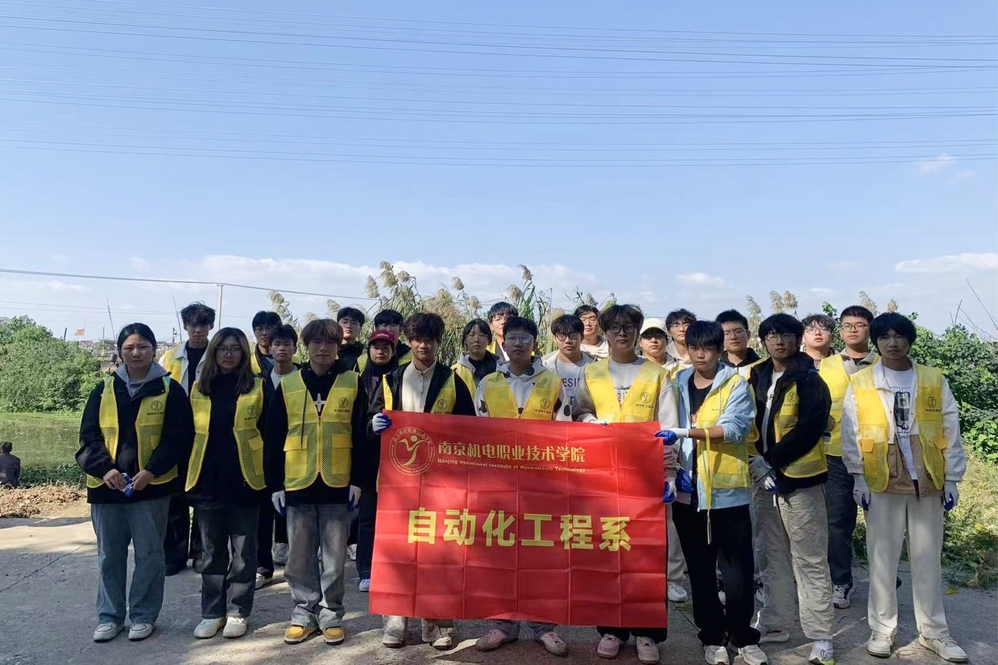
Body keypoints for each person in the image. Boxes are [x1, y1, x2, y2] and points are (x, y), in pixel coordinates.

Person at [841, 313, 968, 663]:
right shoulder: (862, 381)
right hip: (882, 477)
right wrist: (858, 477)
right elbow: (851, 432)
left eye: (899, 336)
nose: (892, 343)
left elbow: (951, 427)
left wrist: (953, 478)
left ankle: (935, 632)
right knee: (882, 559)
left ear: (910, 340)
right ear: (876, 342)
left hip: (927, 477)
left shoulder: (932, 378)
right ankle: (883, 630)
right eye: (885, 337)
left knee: (927, 559)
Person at [573, 304, 679, 665]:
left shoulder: (657, 374)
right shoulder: (591, 372)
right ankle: (611, 630)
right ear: (605, 332)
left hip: (645, 479)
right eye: (615, 328)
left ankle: (648, 632)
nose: (622, 333)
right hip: (603, 478)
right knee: (607, 551)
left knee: (648, 554)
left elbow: (669, 428)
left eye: (629, 327)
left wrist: (669, 473)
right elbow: (579, 412)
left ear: (637, 332)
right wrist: (591, 423)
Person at [76, 323, 193, 643]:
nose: (136, 353)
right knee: (109, 556)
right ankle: (109, 616)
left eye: (143, 346)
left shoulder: (170, 390)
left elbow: (179, 438)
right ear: (120, 352)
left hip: (151, 488)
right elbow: (88, 437)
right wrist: (105, 470)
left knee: (150, 555)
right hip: (107, 489)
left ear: (154, 349)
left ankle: (143, 615)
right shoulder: (103, 390)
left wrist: (151, 471)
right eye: (129, 348)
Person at [663, 321, 767, 665]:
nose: (700, 355)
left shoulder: (735, 384)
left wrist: (685, 432)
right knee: (700, 571)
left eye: (707, 348)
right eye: (694, 348)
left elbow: (736, 429)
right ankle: (711, 637)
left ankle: (742, 636)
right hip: (687, 493)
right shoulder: (676, 382)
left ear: (720, 350)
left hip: (726, 494)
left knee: (737, 573)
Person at [370, 313, 475, 649]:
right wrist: (374, 425)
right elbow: (368, 420)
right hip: (396, 483)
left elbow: (471, 430)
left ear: (438, 342)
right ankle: (395, 620)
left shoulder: (453, 380)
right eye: (417, 339)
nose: (423, 346)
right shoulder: (391, 379)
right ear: (409, 342)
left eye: (430, 340)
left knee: (436, 553)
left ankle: (434, 623)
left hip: (440, 483)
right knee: (396, 550)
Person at [264, 319, 370, 647]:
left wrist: (358, 480)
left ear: (338, 346)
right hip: (297, 481)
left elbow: (361, 434)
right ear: (306, 346)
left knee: (335, 557)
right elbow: (272, 437)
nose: (323, 348)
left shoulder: (352, 381)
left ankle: (331, 614)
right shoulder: (289, 384)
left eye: (329, 343)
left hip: (338, 482)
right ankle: (303, 612)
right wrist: (275, 484)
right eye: (316, 342)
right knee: (299, 555)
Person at [473, 316, 571, 657]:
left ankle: (544, 626)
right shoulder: (488, 383)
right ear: (503, 344)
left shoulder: (552, 382)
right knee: (500, 554)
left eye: (524, 338)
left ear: (534, 343)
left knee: (541, 555)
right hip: (499, 484)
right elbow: (477, 432)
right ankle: (503, 624)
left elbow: (566, 430)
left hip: (542, 483)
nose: (518, 343)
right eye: (512, 338)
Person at [747, 314, 835, 665]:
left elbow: (809, 430)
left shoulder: (811, 379)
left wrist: (770, 460)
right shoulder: (756, 375)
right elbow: (747, 421)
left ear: (798, 339)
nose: (779, 340)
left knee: (810, 558)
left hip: (801, 480)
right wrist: (756, 462)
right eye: (771, 335)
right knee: (771, 553)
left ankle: (821, 634)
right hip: (762, 479)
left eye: (785, 334)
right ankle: (775, 621)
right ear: (763, 341)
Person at [187, 328, 268, 639]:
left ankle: (238, 611)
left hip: (246, 480)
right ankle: (212, 612)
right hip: (207, 480)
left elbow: (271, 433)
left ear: (244, 353)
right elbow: (187, 435)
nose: (229, 354)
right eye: (223, 348)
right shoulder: (198, 389)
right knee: (211, 553)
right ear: (214, 353)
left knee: (244, 553)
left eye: (236, 348)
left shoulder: (258, 387)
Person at [818, 305, 879, 610]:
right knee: (837, 523)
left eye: (860, 325)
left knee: (881, 523)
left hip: (877, 455)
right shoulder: (826, 365)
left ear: (871, 329)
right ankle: (841, 580)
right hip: (836, 455)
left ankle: (883, 579)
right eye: (847, 325)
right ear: (840, 331)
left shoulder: (883, 363)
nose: (853, 330)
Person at [159, 301, 215, 576]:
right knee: (175, 495)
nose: (197, 330)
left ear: (210, 326)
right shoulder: (170, 357)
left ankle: (201, 552)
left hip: (208, 432)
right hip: (177, 431)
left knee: (203, 495)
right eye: (193, 325)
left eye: (202, 325)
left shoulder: (218, 355)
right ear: (185, 326)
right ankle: (174, 553)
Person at [638, 316, 690, 604]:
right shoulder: (632, 371)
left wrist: (672, 465)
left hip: (664, 452)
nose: (654, 340)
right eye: (648, 336)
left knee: (669, 521)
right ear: (640, 341)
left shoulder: (679, 370)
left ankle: (673, 578)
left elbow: (673, 419)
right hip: (630, 456)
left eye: (658, 335)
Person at [355, 328, 398, 593]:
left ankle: (392, 567)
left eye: (386, 347)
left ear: (393, 351)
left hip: (397, 458)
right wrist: (370, 425)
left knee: (396, 516)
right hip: (368, 458)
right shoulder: (357, 380)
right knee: (368, 516)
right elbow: (352, 419)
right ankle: (366, 569)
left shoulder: (400, 378)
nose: (380, 351)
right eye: (375, 347)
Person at [257, 324, 298, 588]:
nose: (281, 349)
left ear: (295, 347)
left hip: (297, 452)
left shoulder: (304, 378)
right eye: (277, 344)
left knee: (294, 509)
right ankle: (262, 566)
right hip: (262, 453)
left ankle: (296, 564)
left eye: (286, 344)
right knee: (263, 509)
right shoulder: (257, 381)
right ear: (269, 349)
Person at [542, 313, 594, 412]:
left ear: (582, 336)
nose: (567, 341)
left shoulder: (594, 367)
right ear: (555, 339)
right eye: (561, 336)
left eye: (573, 335)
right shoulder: (545, 368)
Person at [452, 318, 498, 393]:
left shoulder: (499, 368)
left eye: (481, 335)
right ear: (465, 340)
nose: (476, 339)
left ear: (489, 340)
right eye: (471, 335)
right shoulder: (456, 371)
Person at [716, 310, 762, 377]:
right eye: (726, 333)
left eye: (738, 331)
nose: (733, 337)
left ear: (748, 334)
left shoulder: (764, 367)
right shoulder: (715, 370)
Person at [664, 309, 697, 377]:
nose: (681, 329)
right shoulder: (664, 355)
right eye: (676, 325)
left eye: (686, 325)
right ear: (669, 332)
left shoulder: (704, 354)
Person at [250, 311, 282, 376]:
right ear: (254, 332)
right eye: (260, 329)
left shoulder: (295, 362)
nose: (264, 333)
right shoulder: (249, 364)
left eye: (269, 328)